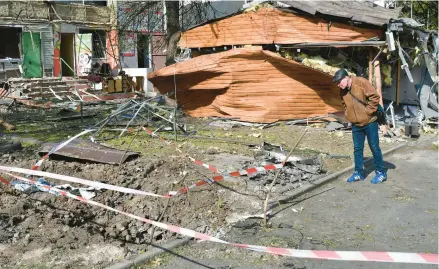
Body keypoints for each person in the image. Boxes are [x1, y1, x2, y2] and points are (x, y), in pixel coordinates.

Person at [332, 69, 387, 184]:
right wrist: (349, 115)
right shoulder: (342, 91)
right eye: (337, 83)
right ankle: (358, 173)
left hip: (370, 122)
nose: (338, 84)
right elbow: (344, 104)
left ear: (346, 77)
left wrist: (368, 111)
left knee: (374, 147)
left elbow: (375, 97)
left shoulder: (361, 82)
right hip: (356, 125)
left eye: (339, 81)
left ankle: (381, 172)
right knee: (357, 149)